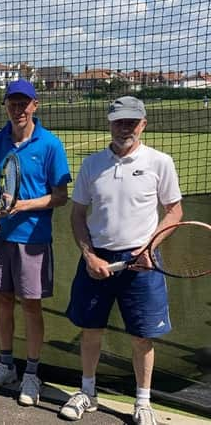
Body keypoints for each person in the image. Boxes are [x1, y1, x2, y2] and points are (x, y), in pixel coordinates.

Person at [59, 96, 182, 424]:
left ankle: (143, 401)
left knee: (142, 336)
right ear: (109, 123)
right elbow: (77, 216)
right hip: (97, 261)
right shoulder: (91, 165)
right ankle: (88, 392)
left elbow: (174, 211)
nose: (124, 127)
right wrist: (89, 256)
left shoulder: (160, 162)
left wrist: (148, 249)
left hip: (143, 263)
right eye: (119, 121)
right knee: (90, 330)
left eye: (131, 121)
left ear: (143, 124)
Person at [0, 79, 71, 405]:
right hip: (0, 237)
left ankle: (31, 374)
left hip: (33, 240)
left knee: (31, 306)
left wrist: (22, 206)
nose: (18, 109)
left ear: (35, 105)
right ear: (5, 105)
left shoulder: (50, 145)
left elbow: (61, 195)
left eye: (24, 103)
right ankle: (6, 365)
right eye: (13, 103)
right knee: (2, 301)